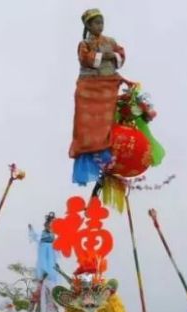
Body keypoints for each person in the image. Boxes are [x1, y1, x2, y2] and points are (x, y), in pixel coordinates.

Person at [70, 8, 126, 185]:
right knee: (86, 124)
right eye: (96, 23)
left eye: (101, 22)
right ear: (88, 25)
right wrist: (104, 56)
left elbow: (121, 56)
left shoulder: (111, 41)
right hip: (89, 88)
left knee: (106, 121)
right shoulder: (84, 44)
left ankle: (105, 154)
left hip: (107, 86)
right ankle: (92, 153)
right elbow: (85, 59)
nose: (99, 26)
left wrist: (113, 55)